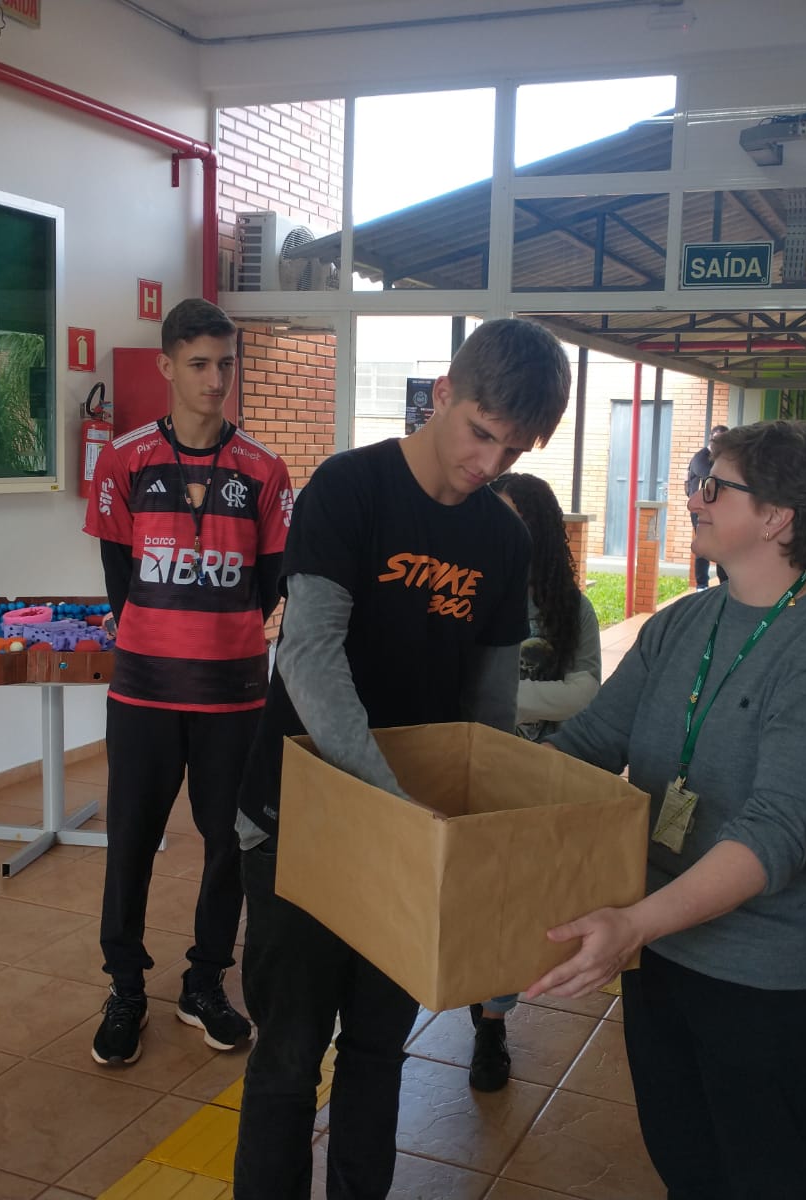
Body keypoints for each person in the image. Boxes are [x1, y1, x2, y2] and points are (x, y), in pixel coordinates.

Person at [231, 319, 572, 1199]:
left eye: (513, 449)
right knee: (288, 1058)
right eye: (480, 434)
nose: (489, 463)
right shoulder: (349, 487)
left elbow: (487, 712)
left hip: (414, 836)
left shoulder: (503, 540)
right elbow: (310, 657)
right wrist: (392, 804)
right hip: (301, 821)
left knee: (378, 1053)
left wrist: (482, 835)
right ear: (442, 394)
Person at [525, 419, 806, 1199]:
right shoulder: (683, 621)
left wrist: (634, 923)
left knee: (762, 1181)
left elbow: (776, 833)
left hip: (768, 980)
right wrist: (474, 797)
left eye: (713, 486)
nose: (691, 498)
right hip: (663, 953)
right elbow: (589, 745)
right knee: (685, 1166)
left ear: (776, 516)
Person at [82, 297, 292, 1066]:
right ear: (166, 365)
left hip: (234, 697)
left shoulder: (264, 470)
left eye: (225, 364)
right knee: (130, 842)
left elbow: (271, 586)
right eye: (199, 364)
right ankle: (125, 988)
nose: (214, 380)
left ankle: (204, 983)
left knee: (228, 844)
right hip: (142, 692)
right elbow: (120, 581)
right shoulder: (123, 461)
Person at [467, 471, 604, 1093]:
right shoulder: (466, 592)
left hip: (539, 781)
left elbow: (585, 693)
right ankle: (476, 994)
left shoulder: (571, 609)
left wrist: (498, 699)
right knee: (475, 898)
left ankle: (493, 1022)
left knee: (519, 905)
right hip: (473, 778)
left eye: (516, 521)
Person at [685, 425, 728, 590]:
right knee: (704, 544)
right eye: (719, 441)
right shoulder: (701, 458)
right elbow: (713, 477)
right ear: (711, 440)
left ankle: (724, 582)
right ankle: (701, 584)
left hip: (716, 510)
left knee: (721, 543)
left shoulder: (721, 458)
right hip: (700, 510)